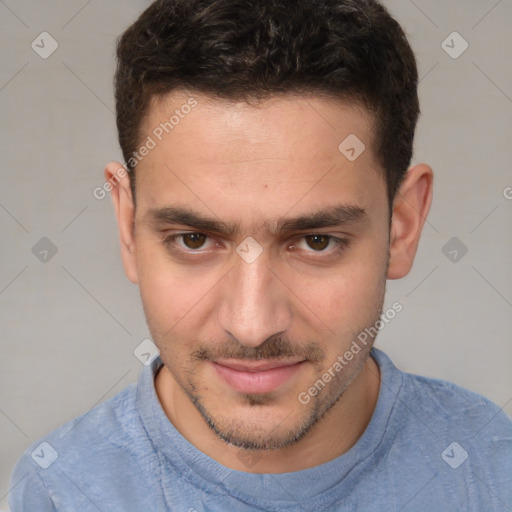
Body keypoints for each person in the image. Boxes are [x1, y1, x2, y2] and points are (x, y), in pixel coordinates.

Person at [9, 0, 512, 510]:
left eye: (317, 241)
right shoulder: (59, 490)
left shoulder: (495, 471)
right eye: (194, 239)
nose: (252, 326)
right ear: (127, 226)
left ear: (401, 227)